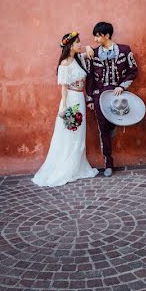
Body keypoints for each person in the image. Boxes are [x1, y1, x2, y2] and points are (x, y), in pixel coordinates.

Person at [32, 32, 99, 187]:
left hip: (80, 99)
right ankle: (66, 168)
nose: (80, 44)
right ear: (70, 45)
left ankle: (78, 166)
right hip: (71, 100)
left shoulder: (79, 59)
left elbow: (90, 51)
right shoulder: (64, 65)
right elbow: (63, 89)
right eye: (77, 43)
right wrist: (64, 107)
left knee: (79, 134)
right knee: (70, 133)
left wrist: (88, 46)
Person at [85, 21, 138, 177]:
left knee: (109, 127)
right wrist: (89, 100)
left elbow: (133, 70)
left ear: (106, 35)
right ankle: (108, 163)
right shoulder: (92, 53)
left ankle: (112, 124)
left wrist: (122, 86)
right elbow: (89, 78)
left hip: (117, 95)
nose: (94, 39)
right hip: (99, 95)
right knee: (103, 130)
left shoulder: (124, 50)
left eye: (97, 36)